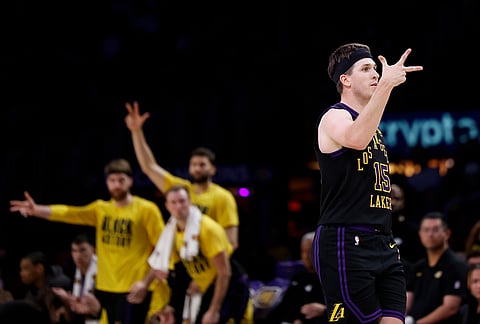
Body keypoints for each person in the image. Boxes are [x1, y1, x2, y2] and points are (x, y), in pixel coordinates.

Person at [312, 42, 423, 323]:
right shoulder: (334, 116)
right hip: (346, 239)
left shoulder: (373, 125)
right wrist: (386, 86)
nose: (375, 73)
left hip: (383, 242)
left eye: (375, 68)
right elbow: (356, 139)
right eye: (366, 68)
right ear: (345, 80)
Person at [9, 158, 169, 324]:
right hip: (106, 288)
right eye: (112, 180)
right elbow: (70, 213)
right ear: (107, 182)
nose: (117, 185)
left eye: (121, 180)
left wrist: (145, 282)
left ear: (130, 181)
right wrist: (37, 210)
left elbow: (164, 250)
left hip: (134, 287)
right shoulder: (101, 209)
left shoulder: (147, 209)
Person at [124, 101, 240, 251]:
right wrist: (136, 131)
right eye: (194, 164)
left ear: (213, 169)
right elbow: (149, 167)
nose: (197, 168)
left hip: (209, 262)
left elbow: (232, 242)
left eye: (202, 165)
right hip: (184, 259)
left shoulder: (223, 197)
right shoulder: (180, 189)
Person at [147, 185, 249, 324]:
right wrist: (172, 306)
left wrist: (214, 310)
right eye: (174, 202)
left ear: (190, 202)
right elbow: (181, 274)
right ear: (167, 206)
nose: (178, 206)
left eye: (182, 201)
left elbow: (225, 273)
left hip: (230, 285)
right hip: (207, 287)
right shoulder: (172, 232)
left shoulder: (208, 229)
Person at [405, 211, 468, 324]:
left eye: (435, 230)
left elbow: (451, 307)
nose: (430, 234)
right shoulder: (417, 267)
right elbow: (406, 302)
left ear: (447, 233)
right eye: (426, 230)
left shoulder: (456, 265)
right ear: (420, 234)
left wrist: (417, 323)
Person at [266, 231, 327, 324]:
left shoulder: (335, 280)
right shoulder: (298, 278)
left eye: (310, 251)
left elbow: (344, 313)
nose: (306, 256)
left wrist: (324, 311)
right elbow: (283, 308)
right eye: (303, 251)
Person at [51, 233, 103, 324]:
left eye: (82, 250)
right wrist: (66, 300)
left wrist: (97, 310)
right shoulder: (73, 271)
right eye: (74, 251)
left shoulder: (104, 273)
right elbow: (76, 308)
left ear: (94, 250)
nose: (78, 255)